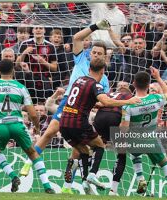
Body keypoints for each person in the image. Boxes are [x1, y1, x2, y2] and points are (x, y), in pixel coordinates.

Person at [20, 19, 111, 177]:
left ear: (104, 57)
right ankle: (29, 162)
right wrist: (96, 26)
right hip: (69, 102)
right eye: (94, 52)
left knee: (80, 146)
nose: (96, 55)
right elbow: (77, 38)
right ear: (90, 53)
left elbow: (104, 100)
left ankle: (69, 178)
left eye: (99, 54)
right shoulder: (81, 59)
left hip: (84, 111)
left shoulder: (104, 79)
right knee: (50, 132)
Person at [0, 59, 55, 194]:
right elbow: (33, 114)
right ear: (13, 71)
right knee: (33, 153)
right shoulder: (20, 87)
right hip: (17, 125)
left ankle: (13, 176)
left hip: (0, 126)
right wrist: (36, 127)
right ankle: (47, 186)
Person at [59, 58, 139, 193]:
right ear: (102, 72)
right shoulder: (96, 85)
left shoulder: (78, 81)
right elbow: (106, 101)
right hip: (78, 122)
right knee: (99, 145)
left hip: (64, 122)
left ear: (89, 69)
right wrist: (129, 101)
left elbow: (83, 100)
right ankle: (92, 175)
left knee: (84, 150)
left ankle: (84, 181)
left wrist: (94, 104)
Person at [120, 67, 167, 198]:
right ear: (149, 85)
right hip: (151, 139)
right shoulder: (155, 99)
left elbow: (124, 128)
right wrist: (158, 78)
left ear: (134, 84)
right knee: (165, 163)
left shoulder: (128, 105)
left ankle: (140, 177)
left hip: (135, 139)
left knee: (134, 154)